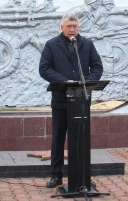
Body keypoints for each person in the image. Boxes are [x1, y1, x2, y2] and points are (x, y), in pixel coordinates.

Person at [38, 13, 103, 188]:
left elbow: (97, 66)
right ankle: (56, 175)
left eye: (75, 26)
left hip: (81, 100)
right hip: (61, 99)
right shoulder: (52, 45)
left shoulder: (87, 44)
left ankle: (83, 176)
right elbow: (44, 69)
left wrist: (87, 81)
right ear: (62, 27)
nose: (72, 29)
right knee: (58, 138)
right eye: (69, 26)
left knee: (81, 139)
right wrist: (63, 81)